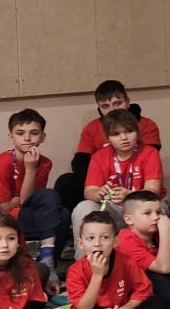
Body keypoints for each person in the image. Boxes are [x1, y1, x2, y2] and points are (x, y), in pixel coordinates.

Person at [55, 80, 162, 220]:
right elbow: (80, 164)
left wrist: (131, 195)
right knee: (74, 192)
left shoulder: (147, 138)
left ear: (127, 102)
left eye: (117, 103)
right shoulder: (97, 146)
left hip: (141, 192)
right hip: (108, 191)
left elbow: (152, 185)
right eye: (105, 106)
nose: (123, 138)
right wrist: (100, 190)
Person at [66, 211, 168, 309]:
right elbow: (84, 308)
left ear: (115, 242)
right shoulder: (75, 270)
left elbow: (144, 290)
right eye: (90, 238)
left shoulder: (126, 262)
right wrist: (97, 275)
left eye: (105, 238)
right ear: (81, 244)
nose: (97, 244)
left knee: (159, 301)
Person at [0, 108, 64, 271]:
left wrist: (31, 170)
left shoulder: (45, 162)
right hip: (4, 218)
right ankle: (46, 262)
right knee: (53, 209)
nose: (27, 138)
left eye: (34, 133)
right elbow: (3, 207)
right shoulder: (3, 162)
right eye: (20, 133)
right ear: (11, 136)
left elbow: (31, 200)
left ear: (42, 137)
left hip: (25, 212)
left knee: (62, 214)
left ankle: (48, 262)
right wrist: (30, 169)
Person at [73, 109, 162, 243]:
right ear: (107, 137)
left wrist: (130, 195)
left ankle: (148, 254)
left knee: (157, 210)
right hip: (112, 207)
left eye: (129, 131)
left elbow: (153, 191)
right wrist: (100, 193)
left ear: (138, 132)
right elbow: (89, 192)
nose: (124, 138)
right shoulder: (99, 156)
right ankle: (87, 255)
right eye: (116, 134)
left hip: (143, 206)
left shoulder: (149, 153)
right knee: (84, 207)